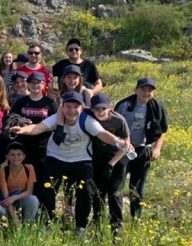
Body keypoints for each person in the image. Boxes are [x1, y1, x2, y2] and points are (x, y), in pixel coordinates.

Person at [11, 91, 133, 237]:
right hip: (56, 158)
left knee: (86, 192)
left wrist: (119, 142)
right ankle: (48, 223)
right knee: (47, 190)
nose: (71, 110)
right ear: (62, 107)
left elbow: (102, 134)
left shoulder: (87, 120)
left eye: (75, 107)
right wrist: (22, 130)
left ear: (81, 108)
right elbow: (38, 128)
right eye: (68, 106)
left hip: (81, 160)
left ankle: (80, 226)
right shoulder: (57, 118)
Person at [115, 77, 168, 218]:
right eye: (143, 89)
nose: (146, 93)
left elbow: (162, 131)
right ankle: (116, 220)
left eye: (150, 90)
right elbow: (113, 126)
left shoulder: (157, 108)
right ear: (136, 90)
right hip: (123, 150)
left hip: (143, 150)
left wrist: (157, 149)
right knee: (118, 187)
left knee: (137, 188)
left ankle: (136, 220)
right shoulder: (124, 105)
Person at [10, 71, 57, 217]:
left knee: (44, 183)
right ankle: (25, 214)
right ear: (28, 85)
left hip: (44, 149)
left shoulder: (50, 104)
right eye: (33, 83)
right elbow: (10, 119)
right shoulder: (21, 102)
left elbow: (56, 125)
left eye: (39, 83)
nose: (36, 85)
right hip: (24, 149)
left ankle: (47, 215)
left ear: (44, 85)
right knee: (25, 182)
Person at [88, 94, 129, 237]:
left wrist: (111, 164)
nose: (100, 112)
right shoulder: (88, 116)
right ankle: (97, 226)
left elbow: (126, 145)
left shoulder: (119, 121)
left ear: (109, 108)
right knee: (98, 194)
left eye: (103, 109)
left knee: (115, 193)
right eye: (96, 109)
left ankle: (116, 227)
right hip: (98, 159)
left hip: (118, 158)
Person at [0, 141, 39, 224]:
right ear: (7, 156)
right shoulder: (2, 170)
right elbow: (6, 197)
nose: (16, 157)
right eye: (12, 154)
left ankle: (27, 225)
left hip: (19, 198)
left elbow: (29, 191)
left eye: (19, 154)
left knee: (33, 199)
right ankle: (7, 225)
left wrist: (14, 197)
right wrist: (14, 218)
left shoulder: (29, 168)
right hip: (5, 201)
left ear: (23, 156)